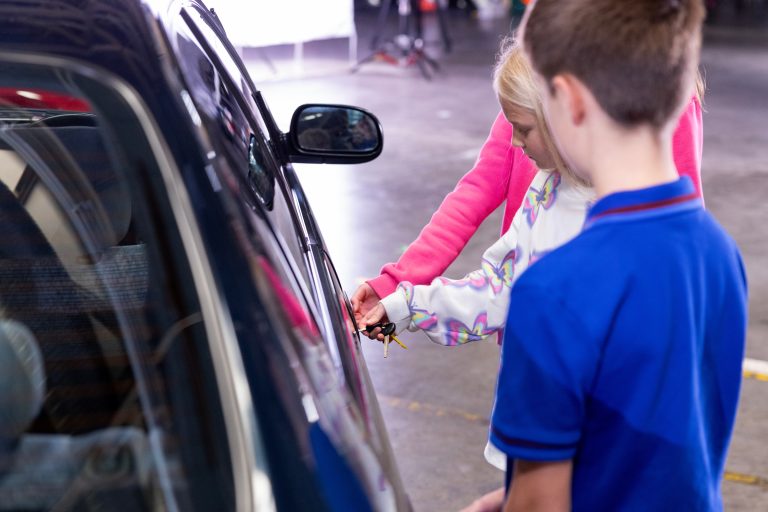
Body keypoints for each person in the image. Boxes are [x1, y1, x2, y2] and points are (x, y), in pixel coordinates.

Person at [489, 1, 747, 510]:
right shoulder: (720, 254)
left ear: (569, 101)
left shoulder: (552, 291)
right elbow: (656, 456)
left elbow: (540, 503)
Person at [351, 64, 703, 330]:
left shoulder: (667, 96)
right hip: (527, 335)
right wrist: (399, 287)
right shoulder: (538, 81)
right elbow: (477, 194)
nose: (517, 140)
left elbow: (679, 232)